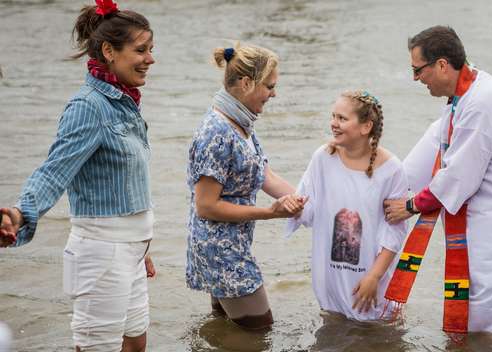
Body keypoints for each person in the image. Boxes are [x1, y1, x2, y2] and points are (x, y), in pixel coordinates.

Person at [0, 1, 157, 350]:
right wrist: (19, 212)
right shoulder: (89, 107)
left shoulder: (125, 101)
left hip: (129, 252)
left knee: (136, 344)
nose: (150, 59)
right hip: (102, 254)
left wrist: (140, 243)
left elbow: (125, 184)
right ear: (108, 51)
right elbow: (54, 172)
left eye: (151, 50)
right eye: (141, 50)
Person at [383, 26, 492, 334]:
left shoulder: (481, 101)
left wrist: (409, 206)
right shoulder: (463, 96)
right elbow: (427, 153)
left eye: (417, 70)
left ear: (441, 65)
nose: (415, 79)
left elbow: (459, 177)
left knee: (482, 325)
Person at [186, 44, 305, 330]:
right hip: (220, 251)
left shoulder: (242, 125)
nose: (274, 93)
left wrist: (310, 201)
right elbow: (206, 205)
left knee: (225, 332)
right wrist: (270, 213)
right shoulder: (217, 131)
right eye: (269, 86)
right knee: (260, 333)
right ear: (246, 83)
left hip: (232, 245)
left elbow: (267, 177)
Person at [285, 90, 408, 321]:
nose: (333, 124)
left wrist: (374, 277)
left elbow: (395, 231)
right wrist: (295, 205)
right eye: (333, 116)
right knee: (333, 332)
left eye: (342, 118)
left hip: (370, 279)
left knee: (377, 335)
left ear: (365, 127)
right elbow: (309, 210)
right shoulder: (323, 157)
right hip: (330, 275)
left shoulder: (392, 169)